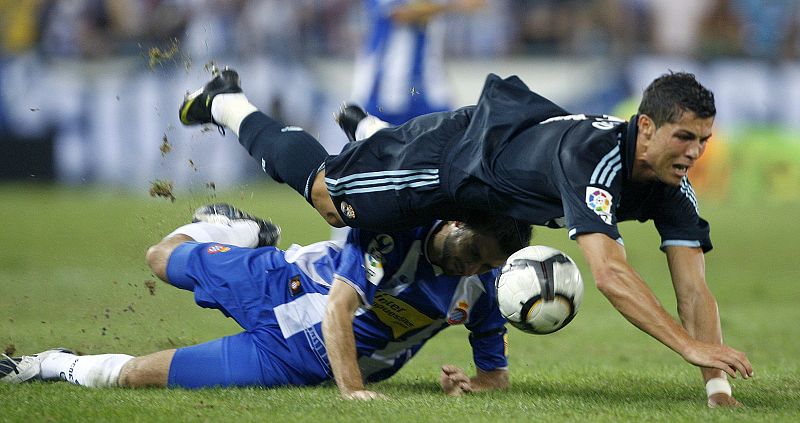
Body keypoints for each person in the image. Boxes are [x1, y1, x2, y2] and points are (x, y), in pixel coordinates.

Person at [177, 67, 754, 407]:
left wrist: (716, 388)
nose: (695, 153)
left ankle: (372, 132)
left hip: (491, 187)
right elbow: (608, 272)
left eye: (704, 140)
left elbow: (694, 291)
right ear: (646, 127)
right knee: (334, 199)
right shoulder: (593, 159)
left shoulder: (674, 184)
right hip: (451, 162)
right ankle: (229, 102)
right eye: (685, 137)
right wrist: (687, 345)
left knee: (408, 213)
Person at [1, 203, 531, 400]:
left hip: (290, 361)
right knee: (160, 257)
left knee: (140, 376)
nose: (477, 269)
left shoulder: (482, 292)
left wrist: (467, 385)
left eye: (489, 266)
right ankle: (236, 230)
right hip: (279, 284)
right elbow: (337, 310)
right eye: (476, 253)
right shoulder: (397, 223)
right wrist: (353, 392)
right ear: (461, 224)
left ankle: (43, 365)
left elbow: (496, 375)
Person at [349, 0, 485, 127]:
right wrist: (452, 5)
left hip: (431, 88)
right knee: (379, 146)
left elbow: (475, 4)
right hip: (385, 91)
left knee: (445, 143)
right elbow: (401, 13)